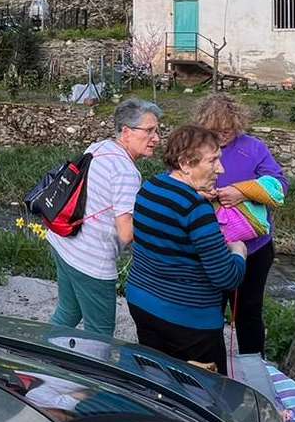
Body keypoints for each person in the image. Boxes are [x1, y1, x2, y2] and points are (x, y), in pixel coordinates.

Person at [126, 125, 248, 374]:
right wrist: (238, 253)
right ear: (185, 164)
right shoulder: (197, 210)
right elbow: (226, 277)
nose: (220, 169)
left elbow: (158, 241)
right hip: (189, 321)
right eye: (213, 160)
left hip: (142, 304)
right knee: (205, 391)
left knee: (158, 378)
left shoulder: (150, 188)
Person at [48, 98, 162, 337]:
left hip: (64, 242)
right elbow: (126, 233)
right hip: (92, 262)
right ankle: (93, 373)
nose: (157, 138)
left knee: (68, 312)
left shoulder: (98, 147)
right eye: (149, 131)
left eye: (157, 130)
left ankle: (35, 357)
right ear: (127, 132)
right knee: (100, 332)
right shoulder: (126, 172)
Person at [194, 93, 288, 357]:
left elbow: (281, 186)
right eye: (216, 131)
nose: (223, 136)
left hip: (255, 249)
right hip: (211, 247)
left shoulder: (254, 148)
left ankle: (253, 366)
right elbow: (178, 180)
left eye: (228, 130)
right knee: (209, 311)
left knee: (248, 311)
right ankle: (212, 366)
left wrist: (241, 192)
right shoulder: (195, 147)